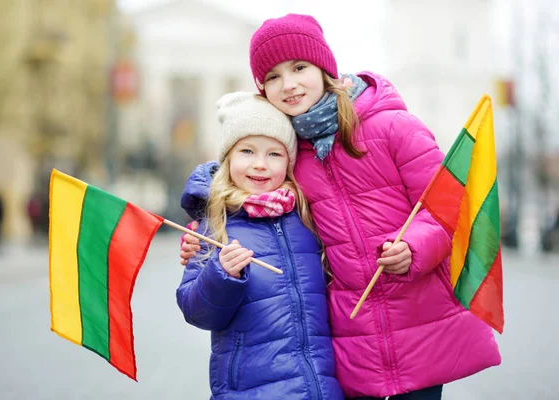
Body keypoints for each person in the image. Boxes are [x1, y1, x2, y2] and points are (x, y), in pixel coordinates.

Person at [179, 13, 501, 400]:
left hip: (420, 323)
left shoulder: (393, 127)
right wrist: (203, 228)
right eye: (273, 77)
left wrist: (415, 246)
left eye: (299, 67)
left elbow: (448, 207)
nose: (289, 84)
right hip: (352, 336)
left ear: (324, 68)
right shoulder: (291, 154)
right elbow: (249, 189)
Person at [176, 92, 344, 400]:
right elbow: (195, 310)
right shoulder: (215, 225)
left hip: (319, 387)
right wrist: (220, 274)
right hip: (251, 390)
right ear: (228, 159)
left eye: (274, 154)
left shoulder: (307, 216)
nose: (260, 164)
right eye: (247, 151)